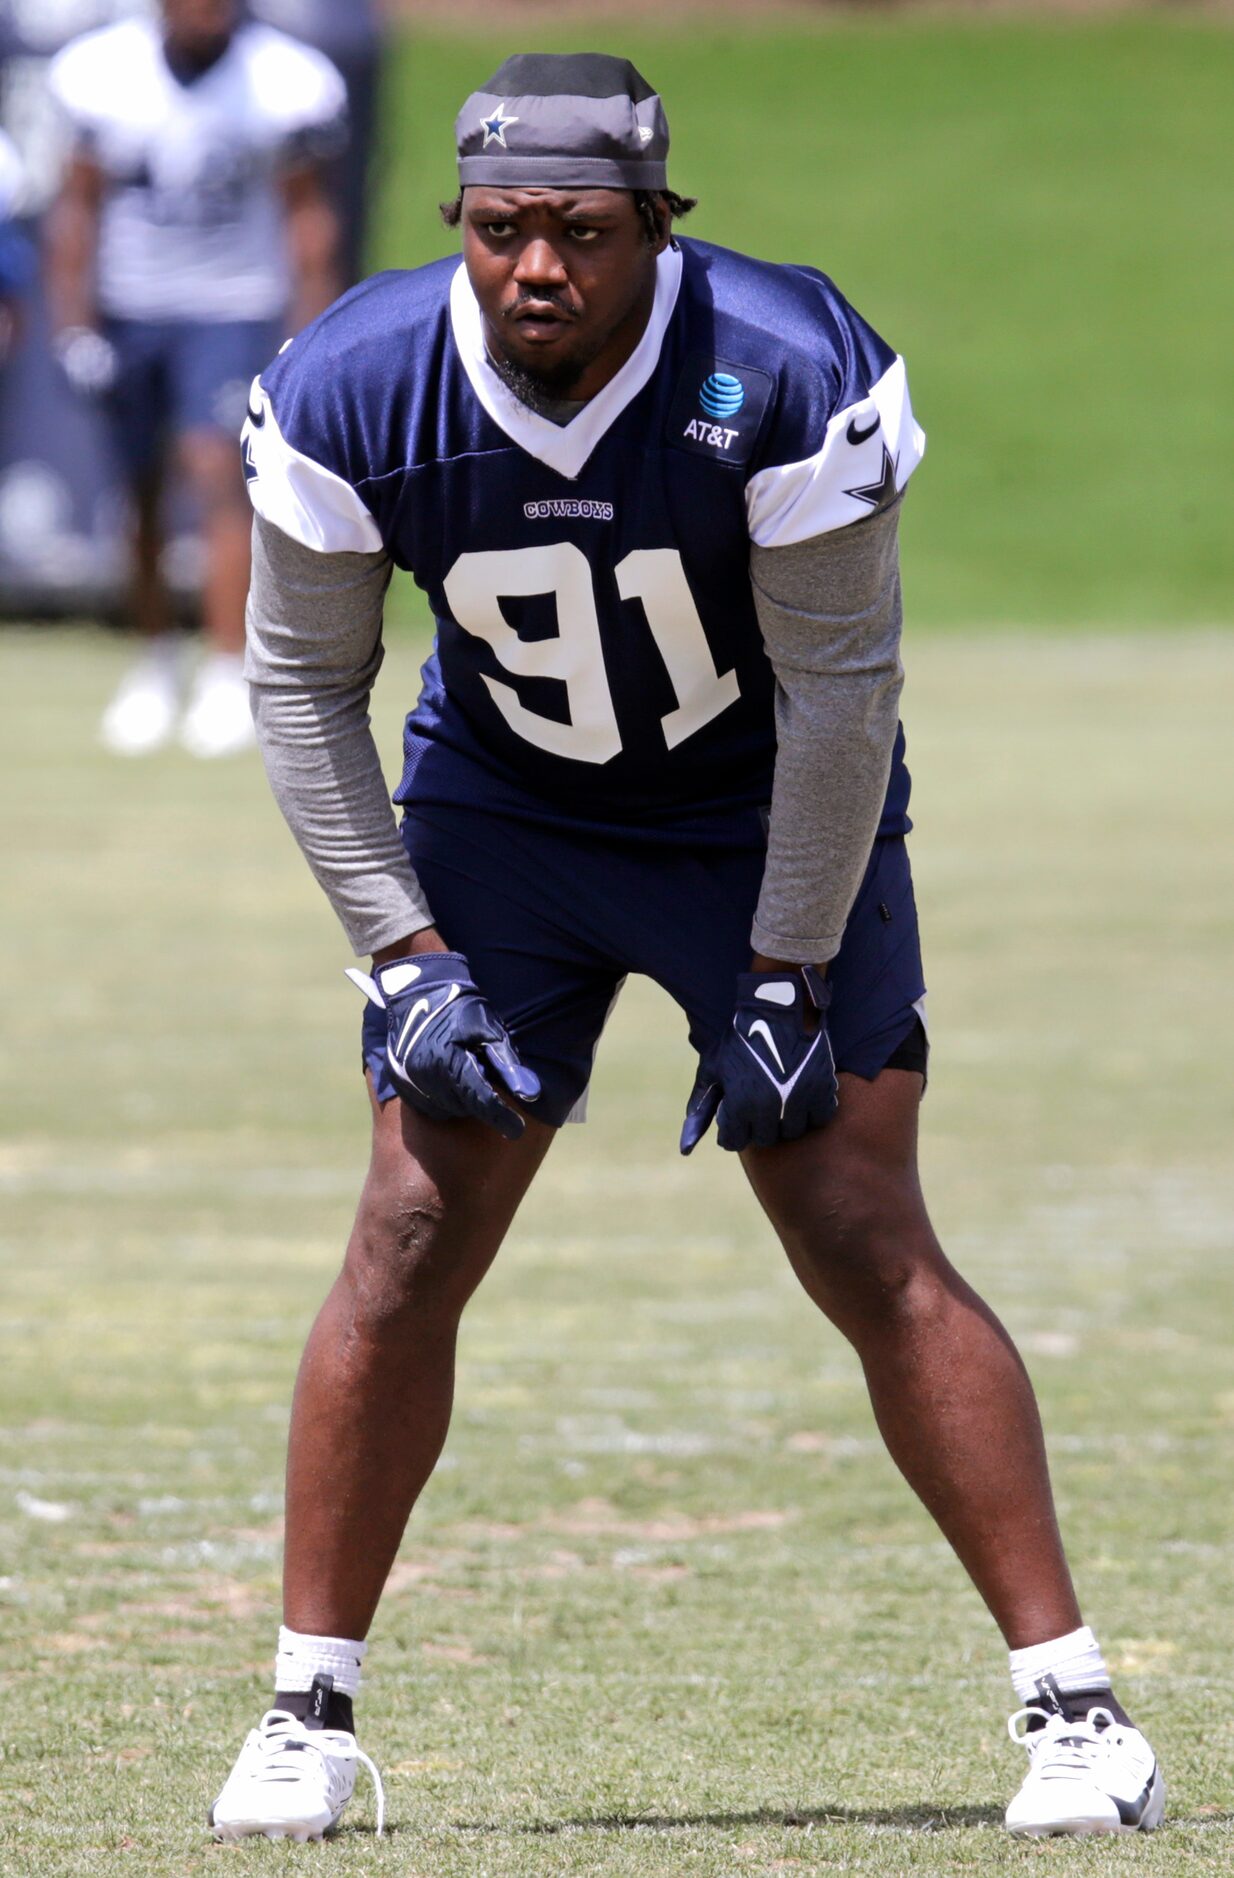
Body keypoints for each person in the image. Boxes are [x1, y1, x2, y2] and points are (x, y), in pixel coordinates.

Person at [210, 53, 1164, 1843]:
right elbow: (301, 688)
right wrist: (398, 952)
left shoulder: (781, 368)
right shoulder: (356, 382)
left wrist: (787, 973)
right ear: (459, 234)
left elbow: (836, 700)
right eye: (498, 232)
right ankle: (304, 1707)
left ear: (659, 225)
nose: (534, 269)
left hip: (755, 814)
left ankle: (1073, 1706)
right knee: (409, 1225)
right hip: (508, 817)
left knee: (854, 1216)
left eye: (576, 228)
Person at [43, 0, 346, 757]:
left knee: (221, 474)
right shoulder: (102, 73)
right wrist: (74, 323)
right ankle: (154, 662)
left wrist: (307, 333)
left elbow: (308, 220)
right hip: (133, 306)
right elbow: (77, 206)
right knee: (139, 487)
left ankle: (223, 670)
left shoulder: (285, 80)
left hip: (233, 306)